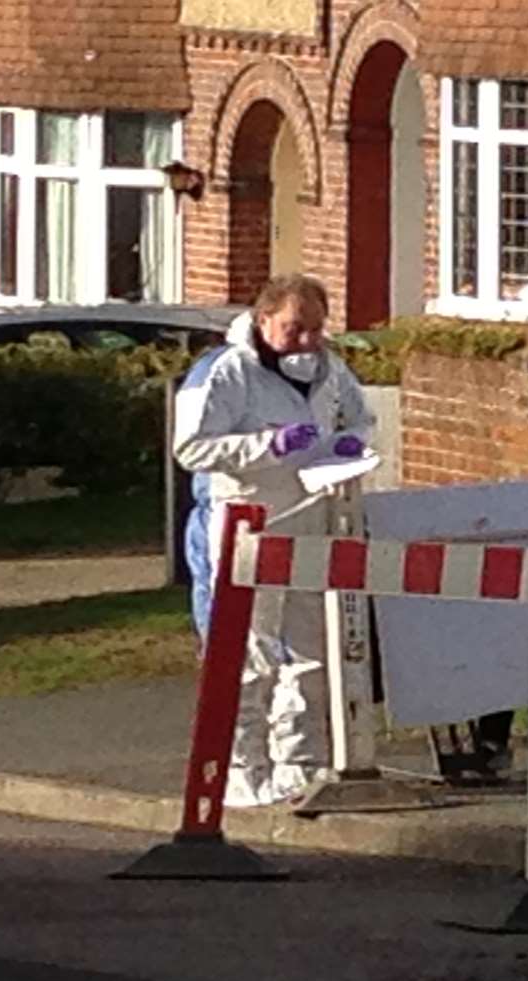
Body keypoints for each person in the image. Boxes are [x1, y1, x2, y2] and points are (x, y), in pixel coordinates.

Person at [174, 275, 375, 808]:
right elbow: (191, 449)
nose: (307, 341)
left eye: (315, 329)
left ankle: (299, 767)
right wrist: (270, 445)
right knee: (248, 652)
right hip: (248, 522)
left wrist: (351, 442)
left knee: (309, 651)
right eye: (293, 330)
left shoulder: (329, 368)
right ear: (263, 320)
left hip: (311, 517)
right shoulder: (227, 371)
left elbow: (360, 414)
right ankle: (242, 772)